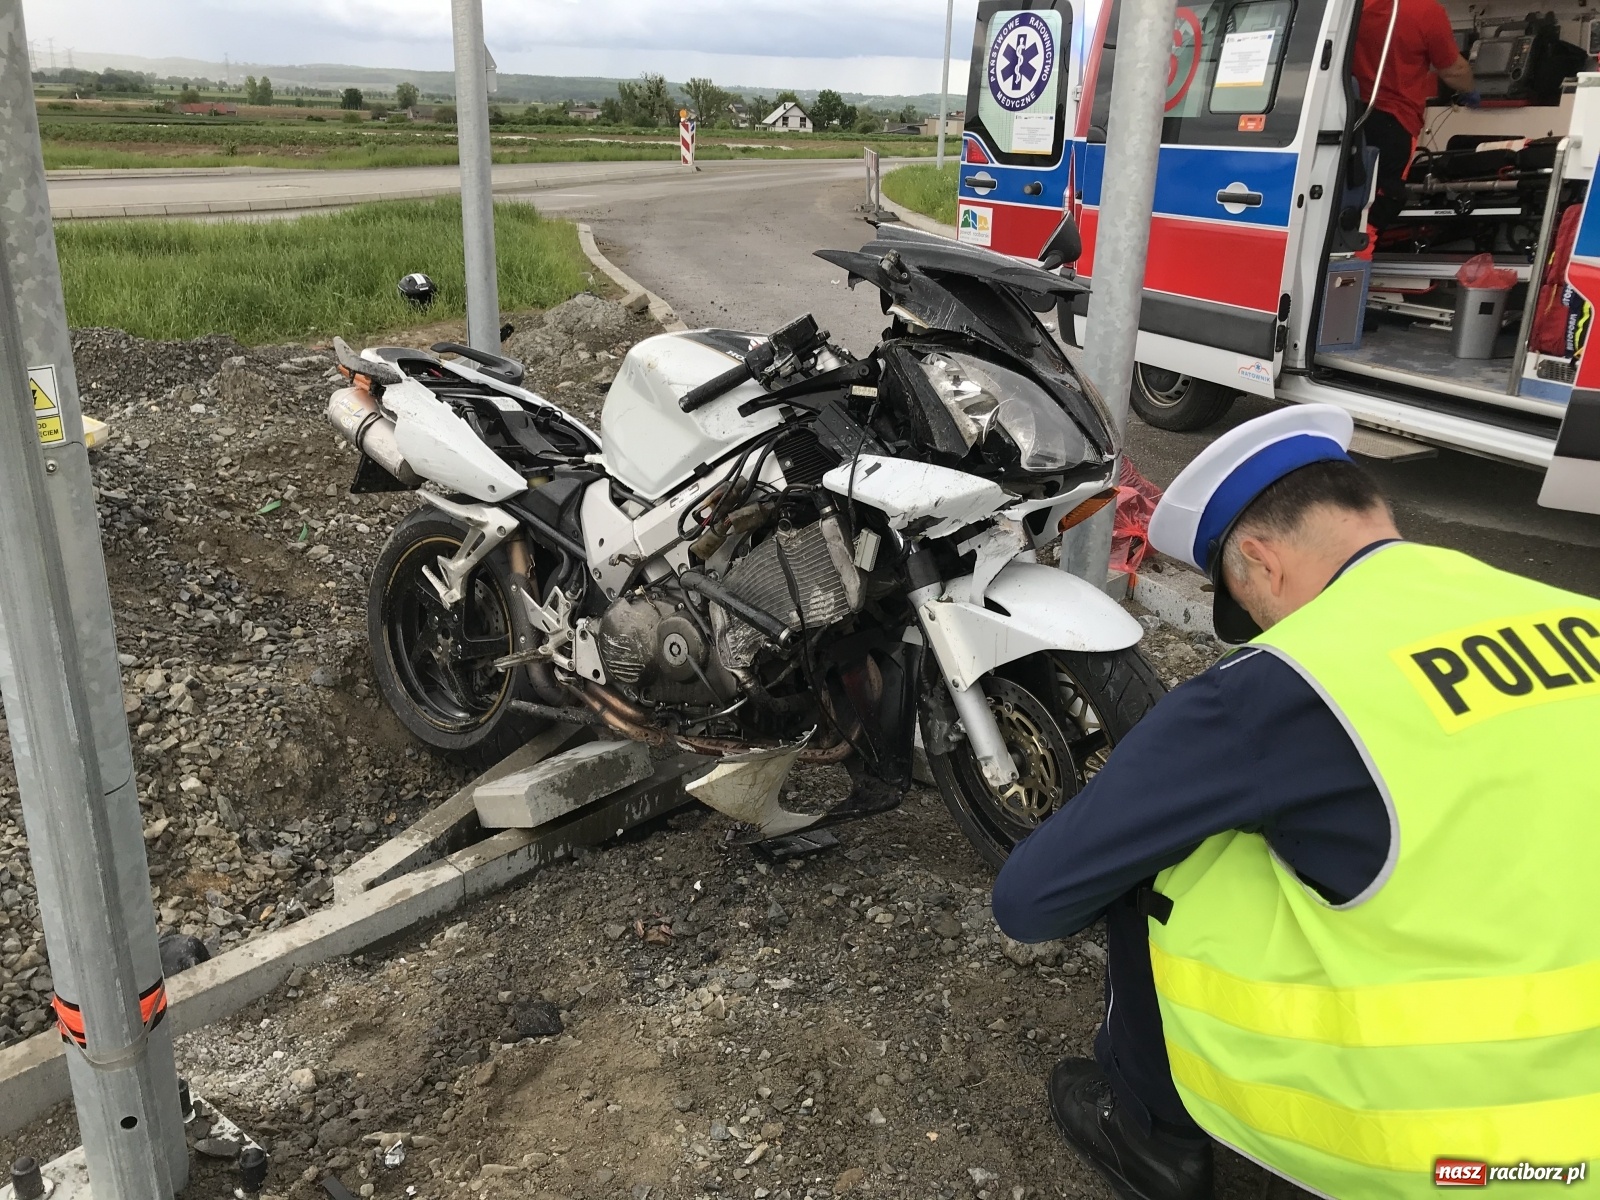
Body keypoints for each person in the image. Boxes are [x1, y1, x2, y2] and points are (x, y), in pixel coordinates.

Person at [992, 405, 1600, 1200]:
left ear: (1259, 564)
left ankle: (1148, 1134)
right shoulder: (1568, 614)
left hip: (1471, 1159)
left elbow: (1030, 900)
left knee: (1168, 855)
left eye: (1244, 606)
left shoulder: (1284, 683)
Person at [1352, 0, 1476, 235]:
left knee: (1346, 195)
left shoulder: (1348, 7)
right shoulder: (1424, 10)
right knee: (1379, 202)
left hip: (1345, 115)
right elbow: (1454, 70)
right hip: (1393, 122)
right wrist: (1471, 91)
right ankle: (1354, 264)